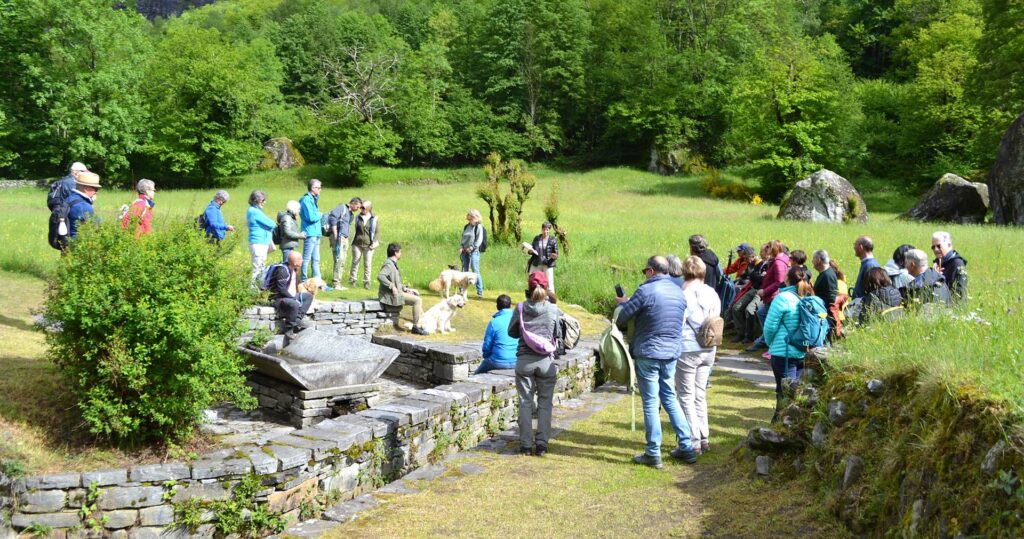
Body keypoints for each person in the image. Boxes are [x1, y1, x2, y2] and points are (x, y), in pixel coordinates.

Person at [616, 256, 698, 469]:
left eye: (645, 271)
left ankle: (653, 452)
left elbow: (622, 318)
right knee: (670, 397)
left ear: (651, 271)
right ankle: (686, 446)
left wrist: (627, 304)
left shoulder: (645, 291)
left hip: (648, 352)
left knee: (651, 402)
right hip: (671, 352)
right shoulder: (678, 293)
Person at [507, 271, 562, 457]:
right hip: (546, 362)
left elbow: (512, 332)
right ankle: (542, 445)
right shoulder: (554, 309)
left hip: (524, 361)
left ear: (528, 288)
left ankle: (525, 445)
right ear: (546, 288)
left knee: (525, 402)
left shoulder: (521, 308)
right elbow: (559, 335)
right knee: (545, 404)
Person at [675, 256, 721, 455]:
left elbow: (679, 323)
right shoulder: (711, 292)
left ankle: (692, 441)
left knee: (685, 396)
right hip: (709, 348)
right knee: (699, 393)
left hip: (688, 348)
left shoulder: (683, 294)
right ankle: (704, 437)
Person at [763, 267, 814, 421]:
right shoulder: (809, 297)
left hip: (783, 352)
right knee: (796, 392)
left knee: (785, 392)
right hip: (803, 350)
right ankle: (788, 425)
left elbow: (770, 326)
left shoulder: (782, 298)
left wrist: (770, 344)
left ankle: (779, 426)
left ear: (787, 280)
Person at [748, 240, 789, 352]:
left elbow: (779, 282)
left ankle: (766, 341)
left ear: (773, 249)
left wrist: (765, 291)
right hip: (770, 295)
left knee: (768, 318)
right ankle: (765, 339)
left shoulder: (779, 262)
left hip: (773, 296)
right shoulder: (777, 260)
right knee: (761, 313)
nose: (766, 250)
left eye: (768, 248)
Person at [378, 243, 427, 335]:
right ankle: (416, 327)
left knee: (416, 294)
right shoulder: (389, 264)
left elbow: (396, 281)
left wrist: (405, 289)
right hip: (389, 296)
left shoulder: (393, 264)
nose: (401, 253)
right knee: (417, 300)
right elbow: (381, 276)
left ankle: (420, 324)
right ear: (395, 253)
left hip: (396, 293)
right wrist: (391, 286)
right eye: (400, 252)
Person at [268, 251, 314, 337]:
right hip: (278, 298)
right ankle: (289, 329)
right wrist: (293, 298)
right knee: (294, 304)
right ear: (295, 262)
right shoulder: (282, 270)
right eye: (300, 259)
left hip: (290, 296)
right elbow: (281, 290)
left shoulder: (294, 269)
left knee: (308, 297)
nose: (302, 260)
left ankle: (297, 320)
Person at [731, 243, 769, 343]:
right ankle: (740, 333)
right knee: (736, 307)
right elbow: (749, 276)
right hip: (752, 289)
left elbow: (763, 280)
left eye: (747, 259)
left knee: (750, 310)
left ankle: (750, 335)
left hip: (760, 292)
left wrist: (755, 276)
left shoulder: (764, 264)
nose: (746, 261)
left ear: (752, 256)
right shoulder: (752, 264)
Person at [476, 294, 518, 374]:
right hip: (517, 361)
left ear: (497, 306)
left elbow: (487, 345)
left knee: (476, 374)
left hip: (497, 361)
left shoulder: (494, 322)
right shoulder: (517, 320)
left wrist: (486, 356)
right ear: (510, 305)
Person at [327, 197, 361, 290]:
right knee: (339, 259)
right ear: (353, 203)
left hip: (345, 238)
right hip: (338, 237)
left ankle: (338, 282)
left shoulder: (351, 215)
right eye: (357, 207)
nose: (357, 209)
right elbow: (332, 217)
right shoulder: (342, 207)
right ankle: (336, 283)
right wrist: (335, 233)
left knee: (343, 260)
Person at [246, 190, 277, 287]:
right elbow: (271, 223)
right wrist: (270, 226)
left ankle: (257, 288)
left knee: (261, 267)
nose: (265, 202)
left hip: (260, 242)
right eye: (263, 200)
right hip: (258, 242)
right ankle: (253, 290)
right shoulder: (255, 212)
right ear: (257, 200)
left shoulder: (254, 211)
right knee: (258, 268)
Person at [350, 200, 380, 289]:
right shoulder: (358, 217)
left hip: (369, 245)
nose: (361, 209)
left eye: (363, 208)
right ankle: (352, 281)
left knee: (367, 264)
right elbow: (356, 230)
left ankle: (367, 283)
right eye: (361, 207)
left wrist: (374, 242)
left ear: (369, 208)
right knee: (355, 262)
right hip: (357, 243)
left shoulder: (374, 219)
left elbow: (377, 232)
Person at [931, 231, 968, 301]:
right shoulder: (938, 263)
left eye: (939, 246)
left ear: (949, 245)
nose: (935, 249)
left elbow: (959, 294)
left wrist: (938, 277)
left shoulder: (958, 264)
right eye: (933, 247)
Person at [299, 179, 323, 282]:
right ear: (312, 188)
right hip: (310, 232)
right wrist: (320, 214)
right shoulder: (306, 200)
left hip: (316, 232)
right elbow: (311, 217)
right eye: (318, 188)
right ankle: (304, 280)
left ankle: (317, 281)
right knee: (306, 259)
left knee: (316, 259)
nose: (320, 190)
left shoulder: (313, 199)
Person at [67, 171, 102, 240]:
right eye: (95, 189)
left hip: (66, 242)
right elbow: (92, 228)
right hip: (77, 244)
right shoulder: (84, 206)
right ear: (86, 189)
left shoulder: (70, 198)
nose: (96, 192)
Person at [812, 250, 839, 337]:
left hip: (825, 316)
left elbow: (831, 298)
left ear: (819, 260)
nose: (812, 261)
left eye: (813, 259)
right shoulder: (824, 273)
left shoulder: (828, 275)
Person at [460, 209, 485, 298]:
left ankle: (480, 291)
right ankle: (462, 290)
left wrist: (472, 247)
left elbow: (479, 240)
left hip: (474, 251)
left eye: (470, 215)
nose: (468, 216)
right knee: (464, 270)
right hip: (464, 251)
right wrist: (461, 247)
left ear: (474, 216)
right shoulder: (466, 226)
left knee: (475, 270)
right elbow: (463, 237)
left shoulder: (479, 227)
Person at [527, 222, 558, 293]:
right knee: (533, 280)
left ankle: (551, 301)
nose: (545, 231)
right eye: (544, 229)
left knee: (550, 283)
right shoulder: (537, 238)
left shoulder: (553, 240)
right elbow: (531, 249)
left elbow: (556, 253)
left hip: (548, 263)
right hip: (536, 262)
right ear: (541, 229)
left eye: (547, 230)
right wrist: (530, 251)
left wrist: (554, 256)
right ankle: (532, 297)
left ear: (549, 230)